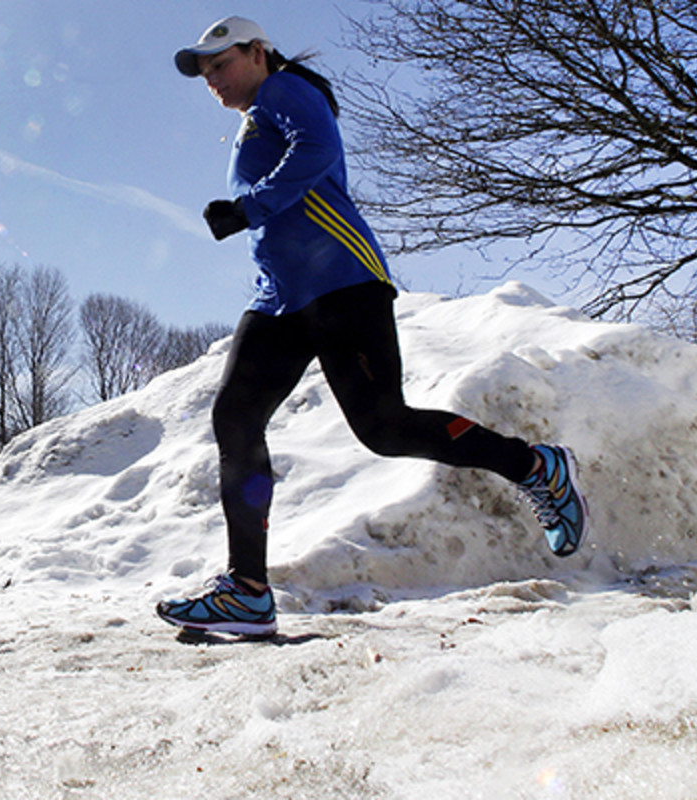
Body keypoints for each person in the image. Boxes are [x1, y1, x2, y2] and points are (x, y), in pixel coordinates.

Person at [156, 17, 588, 637]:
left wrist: (248, 207)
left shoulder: (282, 90)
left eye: (220, 63)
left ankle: (536, 468)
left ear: (258, 52)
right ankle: (247, 588)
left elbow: (318, 150)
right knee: (236, 416)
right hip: (281, 297)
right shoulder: (257, 114)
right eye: (204, 71)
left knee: (385, 427)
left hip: (340, 283)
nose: (211, 78)